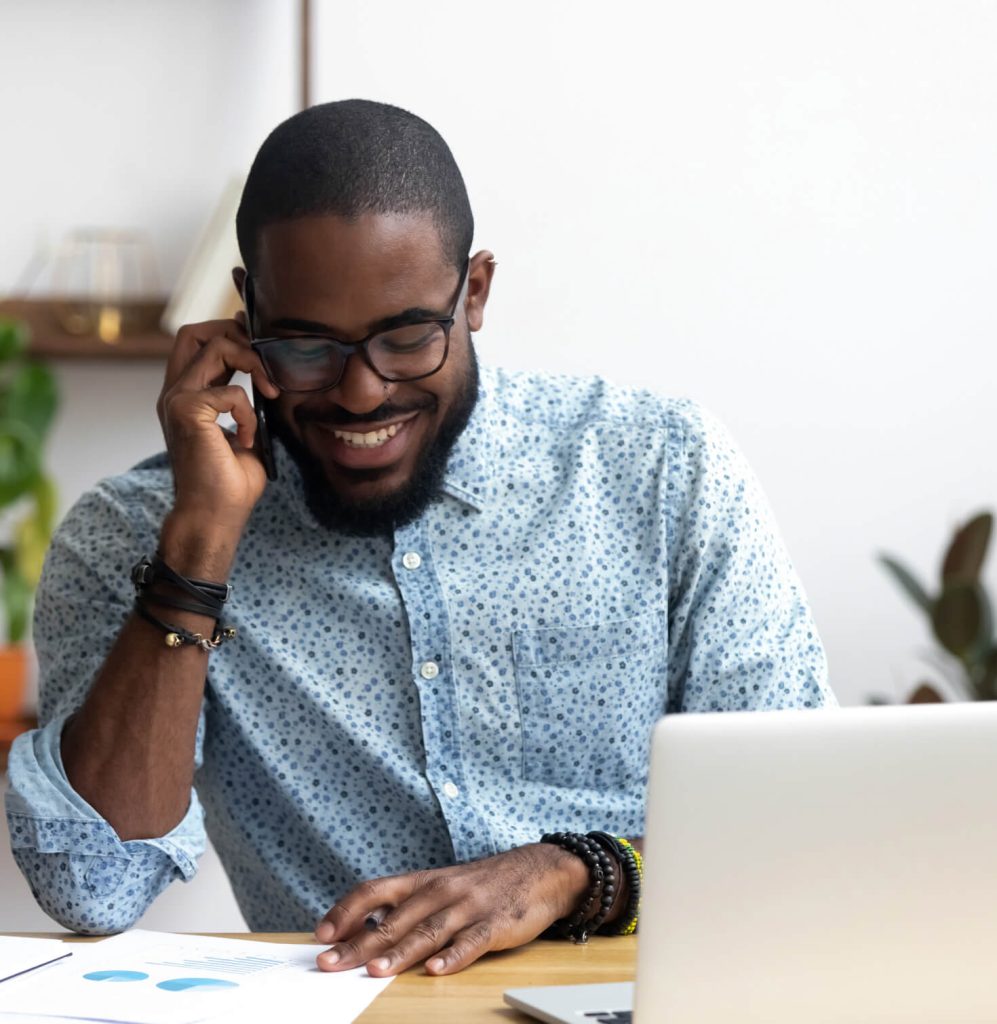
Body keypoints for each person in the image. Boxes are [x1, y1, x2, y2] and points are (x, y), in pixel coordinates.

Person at [6, 100, 833, 976]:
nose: (361, 393)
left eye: (405, 338)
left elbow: (802, 821)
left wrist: (571, 874)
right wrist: (201, 544)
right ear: (246, 314)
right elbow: (90, 886)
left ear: (472, 293)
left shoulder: (660, 470)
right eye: (307, 345)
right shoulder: (135, 534)